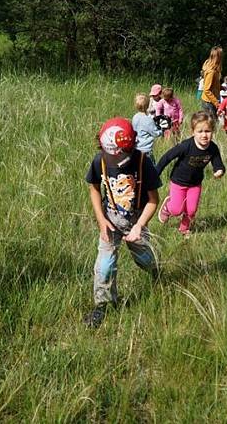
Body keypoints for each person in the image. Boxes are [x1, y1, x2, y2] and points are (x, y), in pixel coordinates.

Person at [84, 117, 162, 328]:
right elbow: (93, 188)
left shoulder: (142, 162)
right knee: (104, 266)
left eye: (121, 156)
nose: (116, 161)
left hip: (136, 221)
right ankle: (102, 305)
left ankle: (156, 272)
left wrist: (139, 226)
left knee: (145, 260)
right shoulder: (98, 160)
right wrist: (101, 221)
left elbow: (154, 200)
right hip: (110, 222)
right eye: (112, 156)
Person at [156, 111, 225, 238]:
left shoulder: (213, 148)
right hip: (178, 181)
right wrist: (156, 172)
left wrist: (219, 171)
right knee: (176, 210)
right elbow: (168, 157)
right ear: (193, 132)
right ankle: (167, 207)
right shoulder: (186, 146)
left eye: (207, 131)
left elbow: (218, 163)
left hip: (195, 184)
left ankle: (184, 228)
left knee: (191, 210)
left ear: (213, 131)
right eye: (200, 131)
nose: (204, 135)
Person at [132, 93, 163, 163]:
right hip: (146, 150)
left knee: (138, 170)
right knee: (152, 170)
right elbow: (155, 133)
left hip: (136, 148)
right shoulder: (148, 120)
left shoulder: (135, 117)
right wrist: (162, 130)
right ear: (147, 105)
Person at [200, 46, 223, 118]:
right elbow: (206, 90)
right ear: (218, 57)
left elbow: (213, 85)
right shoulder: (211, 72)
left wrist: (222, 87)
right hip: (209, 102)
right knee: (212, 124)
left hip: (210, 101)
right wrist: (216, 103)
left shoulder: (214, 69)